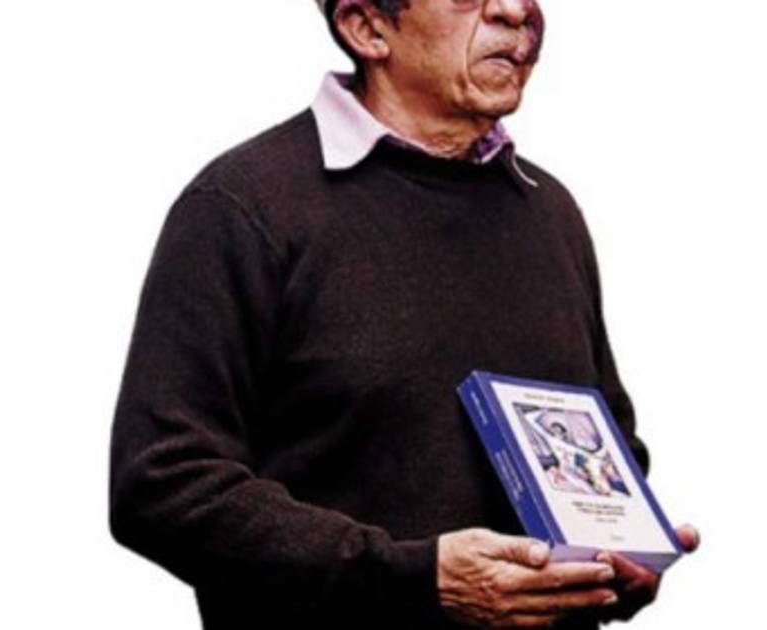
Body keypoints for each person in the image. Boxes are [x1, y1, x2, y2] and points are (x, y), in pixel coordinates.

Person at [108, 1, 700, 628]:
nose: (515, 11)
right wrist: (416, 579)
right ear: (367, 28)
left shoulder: (549, 211)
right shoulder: (242, 207)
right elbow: (163, 485)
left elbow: (610, 447)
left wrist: (617, 563)